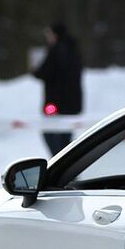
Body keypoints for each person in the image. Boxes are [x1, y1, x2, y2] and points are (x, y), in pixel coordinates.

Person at [32, 22, 83, 155]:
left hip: (54, 105)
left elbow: (44, 72)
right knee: (65, 137)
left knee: (50, 132)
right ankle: (69, 166)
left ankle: (60, 165)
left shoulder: (55, 51)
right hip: (72, 104)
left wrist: (35, 70)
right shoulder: (74, 50)